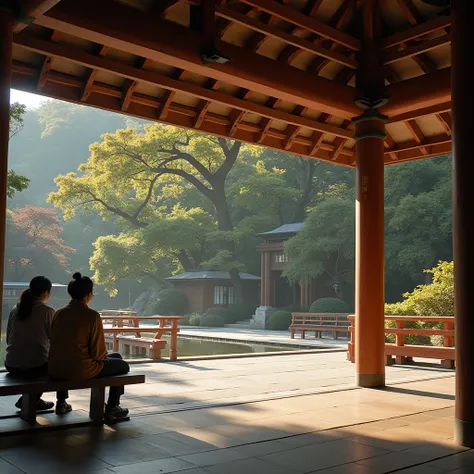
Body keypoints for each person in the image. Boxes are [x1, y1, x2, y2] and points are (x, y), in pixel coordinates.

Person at [48, 272, 130, 421]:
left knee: (114, 356)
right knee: (122, 365)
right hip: (81, 369)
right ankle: (112, 407)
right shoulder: (91, 316)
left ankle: (61, 402)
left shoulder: (59, 313)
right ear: (88, 294)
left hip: (55, 368)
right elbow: (99, 354)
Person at [5, 276, 71, 414]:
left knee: (43, 364)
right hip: (35, 367)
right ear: (46, 292)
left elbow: (8, 340)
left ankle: (33, 399)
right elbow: (55, 341)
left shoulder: (14, 310)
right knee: (59, 364)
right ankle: (61, 402)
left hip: (11, 364)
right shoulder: (47, 311)